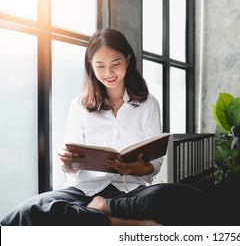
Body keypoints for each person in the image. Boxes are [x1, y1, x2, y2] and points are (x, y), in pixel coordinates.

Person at [1, 28, 206, 226]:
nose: (108, 73)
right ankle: (120, 223)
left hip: (130, 193)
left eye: (115, 64)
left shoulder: (148, 104)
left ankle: (104, 207)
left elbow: (154, 165)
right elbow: (71, 170)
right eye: (100, 66)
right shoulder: (80, 105)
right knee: (31, 210)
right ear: (90, 64)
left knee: (188, 197)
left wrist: (136, 168)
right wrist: (67, 162)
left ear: (128, 59)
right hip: (84, 191)